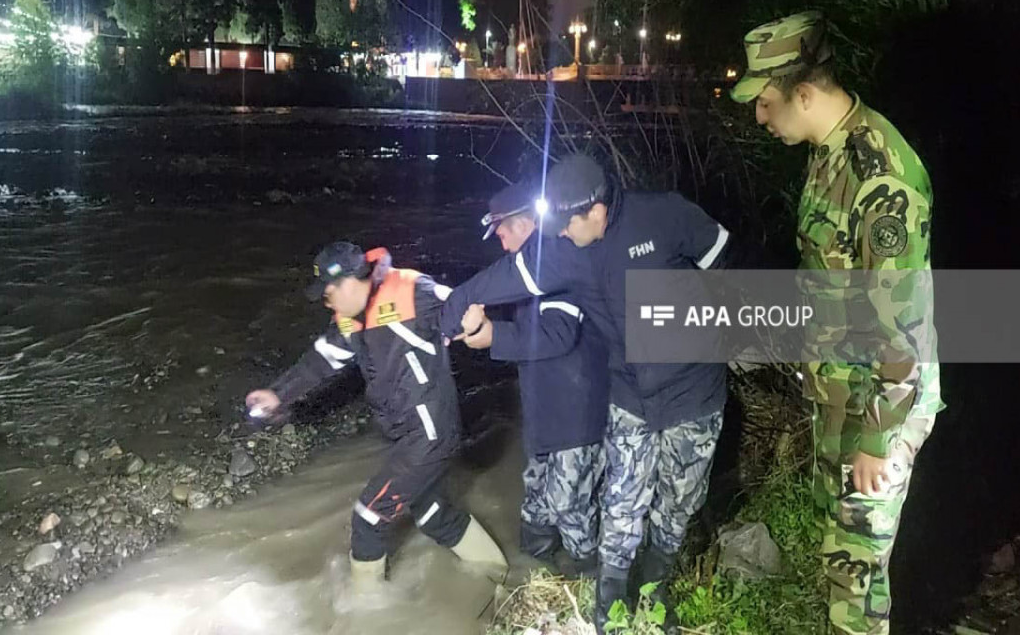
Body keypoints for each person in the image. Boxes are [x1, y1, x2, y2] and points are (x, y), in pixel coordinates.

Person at [439, 155, 731, 631]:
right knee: (621, 500)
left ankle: (656, 585)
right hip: (631, 397)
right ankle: (611, 596)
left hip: (694, 393)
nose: (558, 236)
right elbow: (508, 276)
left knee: (678, 502)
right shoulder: (564, 247)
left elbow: (732, 266)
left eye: (567, 225)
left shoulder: (667, 215)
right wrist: (454, 306)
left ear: (595, 211)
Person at [729, 10, 943, 635]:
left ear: (803, 92)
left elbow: (903, 322)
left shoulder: (883, 180)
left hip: (882, 405)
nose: (760, 117)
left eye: (766, 102)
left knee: (857, 573)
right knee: (839, 548)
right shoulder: (830, 153)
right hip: (840, 392)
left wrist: (877, 439)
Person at [245, 241, 507, 589]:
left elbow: (461, 301)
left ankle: (365, 613)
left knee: (369, 517)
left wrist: (474, 322)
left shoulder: (412, 291)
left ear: (350, 282)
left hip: (429, 434)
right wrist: (277, 394)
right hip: (405, 435)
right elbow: (318, 362)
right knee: (432, 514)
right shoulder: (349, 321)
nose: (327, 303)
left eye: (327, 294)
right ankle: (502, 576)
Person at [458, 182, 609, 578]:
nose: (500, 240)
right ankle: (530, 577)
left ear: (524, 223)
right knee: (538, 506)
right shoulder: (530, 269)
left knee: (572, 509)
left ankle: (592, 589)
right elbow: (535, 326)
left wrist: (496, 336)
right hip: (547, 415)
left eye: (503, 230)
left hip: (576, 415)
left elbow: (559, 333)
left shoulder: (555, 261)